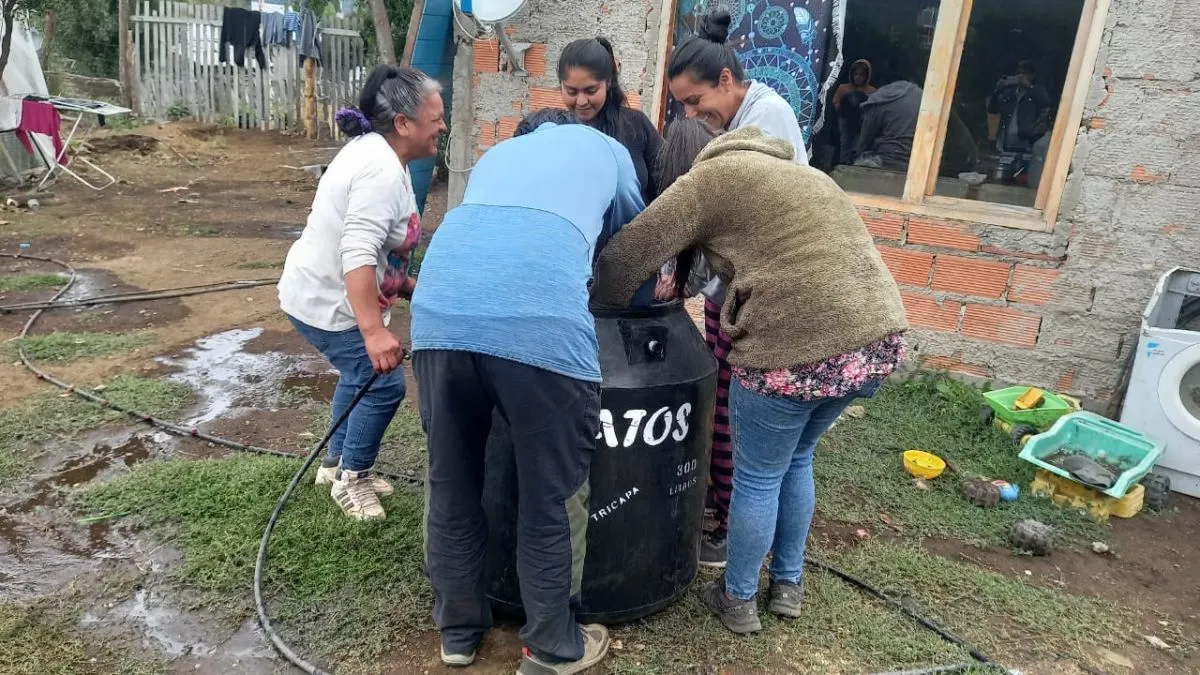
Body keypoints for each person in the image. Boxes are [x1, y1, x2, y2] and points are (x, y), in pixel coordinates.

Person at [593, 121, 908, 635]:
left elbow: (626, 255)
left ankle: (737, 597)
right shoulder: (807, 176)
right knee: (797, 459)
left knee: (758, 476)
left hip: (793, 349)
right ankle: (787, 584)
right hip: (872, 343)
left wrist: (604, 321)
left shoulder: (711, 179)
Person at [409, 108, 645, 673]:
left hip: (439, 316)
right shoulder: (606, 148)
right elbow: (634, 238)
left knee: (451, 479)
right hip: (542, 325)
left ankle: (458, 632)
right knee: (552, 494)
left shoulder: (497, 154)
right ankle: (552, 646)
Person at [657, 8, 808, 569]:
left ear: (726, 80)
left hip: (760, 304)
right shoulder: (739, 118)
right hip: (735, 297)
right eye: (682, 106)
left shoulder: (766, 120)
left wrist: (683, 277)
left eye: (697, 102)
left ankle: (732, 530)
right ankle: (753, 535)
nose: (693, 115)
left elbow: (742, 224)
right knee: (738, 421)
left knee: (739, 426)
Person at [276, 64, 445, 521]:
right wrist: (372, 332)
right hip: (329, 302)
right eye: (436, 119)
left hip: (320, 290)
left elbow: (376, 247)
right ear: (404, 123)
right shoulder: (379, 171)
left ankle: (334, 465)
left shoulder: (379, 153)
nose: (443, 127)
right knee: (383, 383)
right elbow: (357, 251)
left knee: (357, 377)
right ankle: (353, 479)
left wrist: (408, 286)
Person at [559, 37, 664, 203]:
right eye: (571, 92)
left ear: (608, 83)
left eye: (591, 91)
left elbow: (667, 182)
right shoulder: (556, 132)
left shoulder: (635, 125)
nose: (581, 101)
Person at [855, 76, 922, 170]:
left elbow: (865, 140)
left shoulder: (878, 99)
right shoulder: (921, 95)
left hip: (885, 159)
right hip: (917, 163)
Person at [988, 60, 1051, 154]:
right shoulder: (1009, 94)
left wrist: (1028, 86)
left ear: (1032, 75)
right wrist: (997, 91)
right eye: (1018, 73)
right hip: (1004, 145)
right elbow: (992, 109)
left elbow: (1046, 103)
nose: (1021, 76)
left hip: (1026, 145)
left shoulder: (1037, 91)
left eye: (1025, 73)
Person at [833, 59, 877, 164]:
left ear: (867, 76)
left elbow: (876, 108)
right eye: (855, 74)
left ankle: (855, 165)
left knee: (859, 146)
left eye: (861, 75)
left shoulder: (872, 91)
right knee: (845, 144)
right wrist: (843, 112)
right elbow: (835, 101)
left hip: (863, 123)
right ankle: (843, 164)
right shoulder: (843, 88)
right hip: (846, 121)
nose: (858, 77)